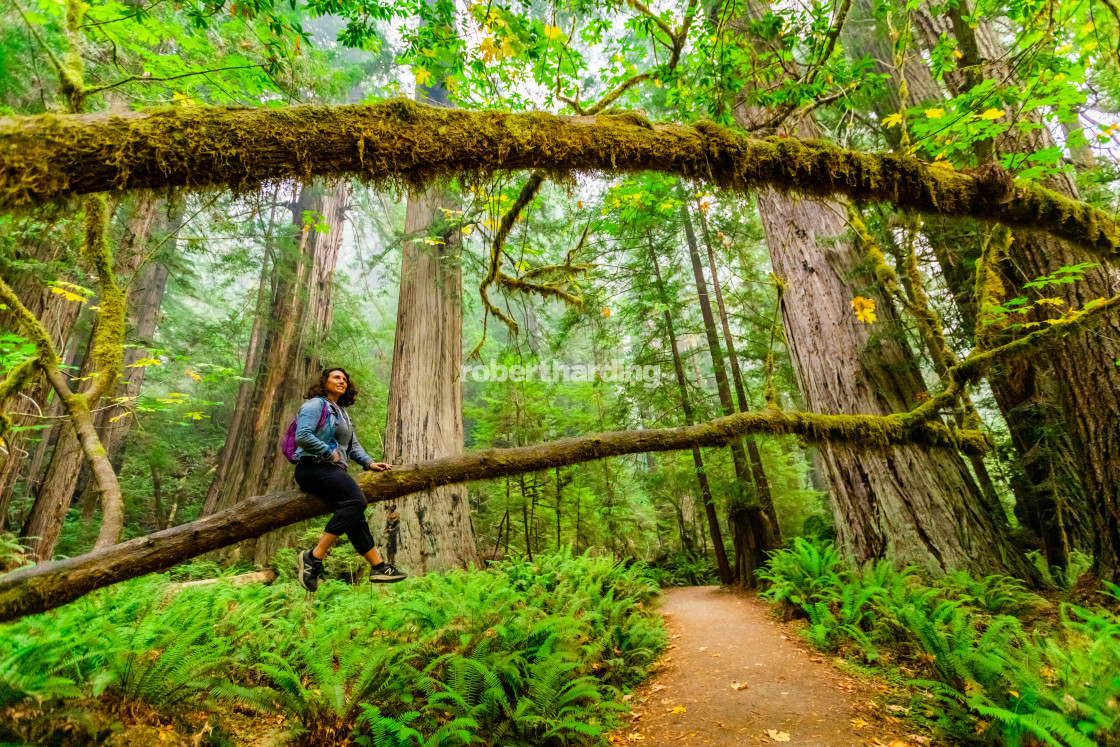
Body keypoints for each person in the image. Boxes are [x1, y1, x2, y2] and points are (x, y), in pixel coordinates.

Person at [293, 367, 406, 591]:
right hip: (313, 468)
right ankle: (313, 558)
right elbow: (302, 436)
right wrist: (327, 451)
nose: (342, 381)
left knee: (354, 514)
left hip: (332, 470)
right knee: (357, 502)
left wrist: (368, 462)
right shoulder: (316, 404)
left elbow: (352, 446)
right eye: (336, 377)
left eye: (344, 379)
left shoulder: (341, 412)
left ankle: (379, 566)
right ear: (324, 382)